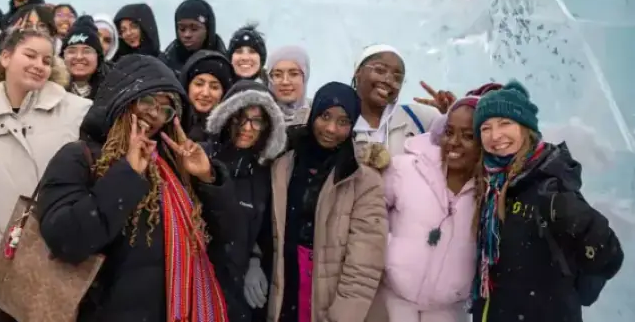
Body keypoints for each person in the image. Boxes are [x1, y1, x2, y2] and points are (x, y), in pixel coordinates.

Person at [36, 54, 245, 322]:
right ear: (121, 98)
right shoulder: (80, 157)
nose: (154, 114)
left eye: (166, 109)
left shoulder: (176, 165)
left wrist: (208, 178)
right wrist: (127, 175)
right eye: (147, 101)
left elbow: (229, 236)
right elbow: (66, 239)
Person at [0, 28, 90, 313]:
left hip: (70, 265)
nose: (39, 65)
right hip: (9, 271)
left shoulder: (78, 112)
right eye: (30, 55)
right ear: (6, 58)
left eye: (47, 60)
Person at [470, 81, 624, 322]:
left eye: (505, 123)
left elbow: (608, 258)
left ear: (525, 128)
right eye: (485, 127)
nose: (495, 135)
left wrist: (587, 229)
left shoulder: (550, 185)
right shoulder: (493, 185)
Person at [267, 82, 389, 322]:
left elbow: (363, 263)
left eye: (343, 122)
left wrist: (342, 316)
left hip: (331, 296)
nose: (331, 129)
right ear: (313, 115)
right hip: (286, 290)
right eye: (325, 117)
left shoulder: (363, 180)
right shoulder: (283, 166)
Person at [379, 90, 497, 322]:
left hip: (448, 310)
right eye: (449, 132)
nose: (454, 142)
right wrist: (389, 251)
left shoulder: (491, 192)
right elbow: (371, 214)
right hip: (392, 299)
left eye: (468, 136)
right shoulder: (406, 168)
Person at [202, 80, 288, 321]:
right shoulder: (203, 158)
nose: (247, 128)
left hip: (239, 287)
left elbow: (262, 228)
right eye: (240, 118)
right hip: (199, 278)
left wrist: (255, 259)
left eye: (257, 121)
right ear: (227, 117)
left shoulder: (263, 172)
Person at [351, 44, 439, 156]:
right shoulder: (341, 120)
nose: (388, 80)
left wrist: (451, 110)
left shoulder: (419, 118)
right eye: (380, 70)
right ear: (358, 72)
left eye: (397, 77)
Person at [162, 0, 227, 73]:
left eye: (194, 29)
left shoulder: (228, 65)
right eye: (182, 29)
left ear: (208, 29)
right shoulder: (163, 65)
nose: (187, 35)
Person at [267, 45, 311, 126]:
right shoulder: (258, 118)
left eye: (294, 74)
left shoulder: (317, 120)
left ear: (304, 78)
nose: (285, 82)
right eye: (277, 75)